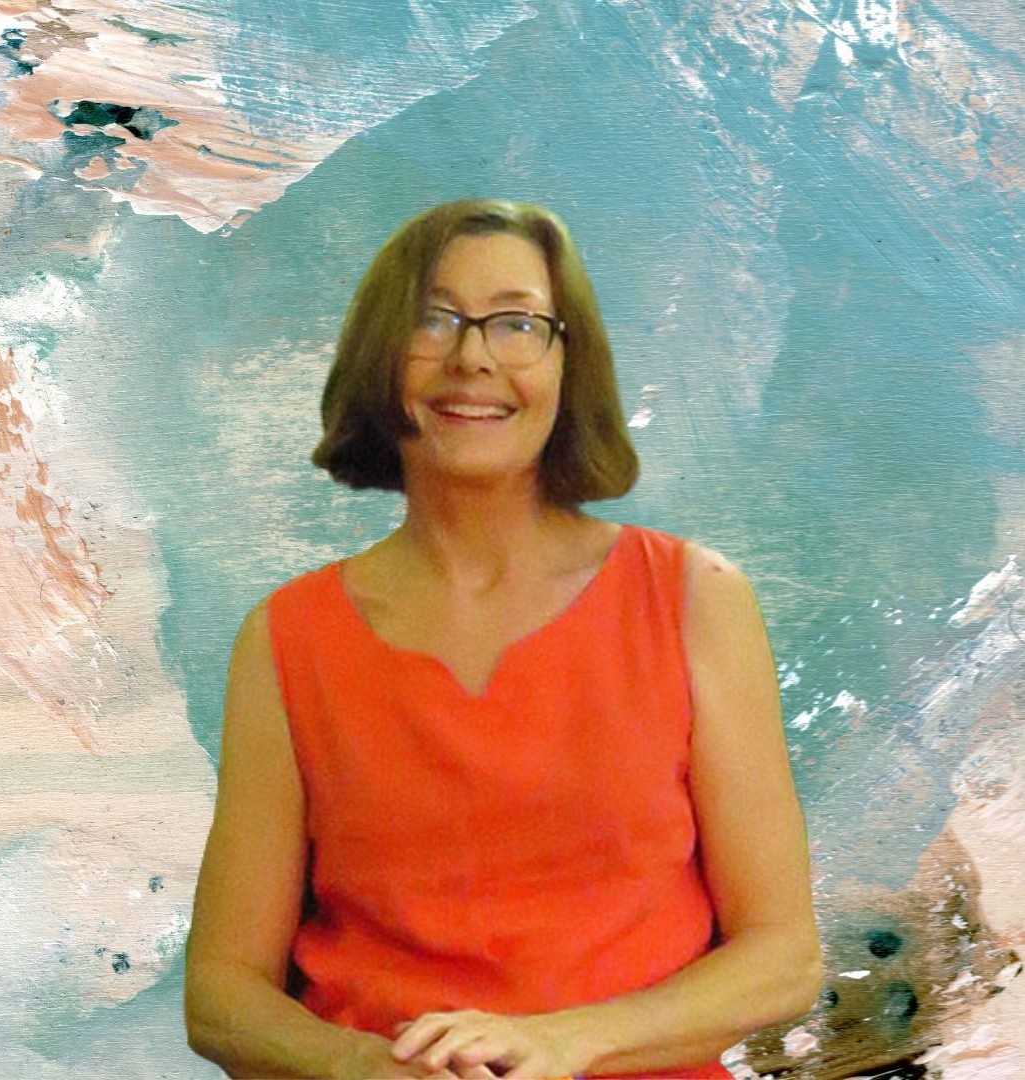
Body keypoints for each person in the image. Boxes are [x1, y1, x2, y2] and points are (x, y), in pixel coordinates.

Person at [184, 199, 823, 1079]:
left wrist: (564, 1042)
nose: (473, 357)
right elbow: (221, 997)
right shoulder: (287, 639)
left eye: (517, 323)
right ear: (380, 354)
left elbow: (784, 959)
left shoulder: (695, 599)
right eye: (434, 319)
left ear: (570, 362)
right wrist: (365, 1068)